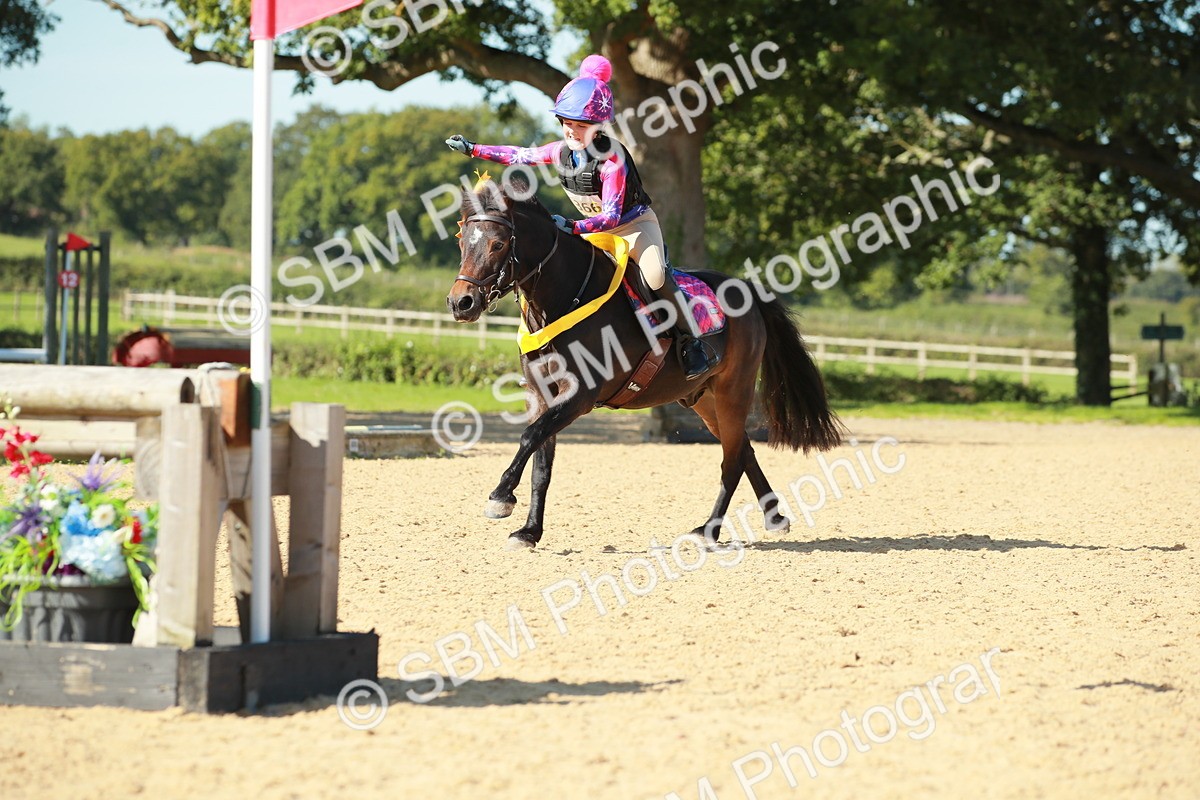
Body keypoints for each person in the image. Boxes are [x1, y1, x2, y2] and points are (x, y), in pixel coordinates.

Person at [445, 54, 714, 379]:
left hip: (632, 227)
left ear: (599, 127)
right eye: (566, 122)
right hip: (589, 229)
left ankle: (692, 343)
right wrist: (475, 149)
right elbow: (520, 154)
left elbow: (613, 215)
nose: (571, 131)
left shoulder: (612, 160)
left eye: (581, 125)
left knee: (655, 275)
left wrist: (573, 227)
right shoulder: (560, 151)